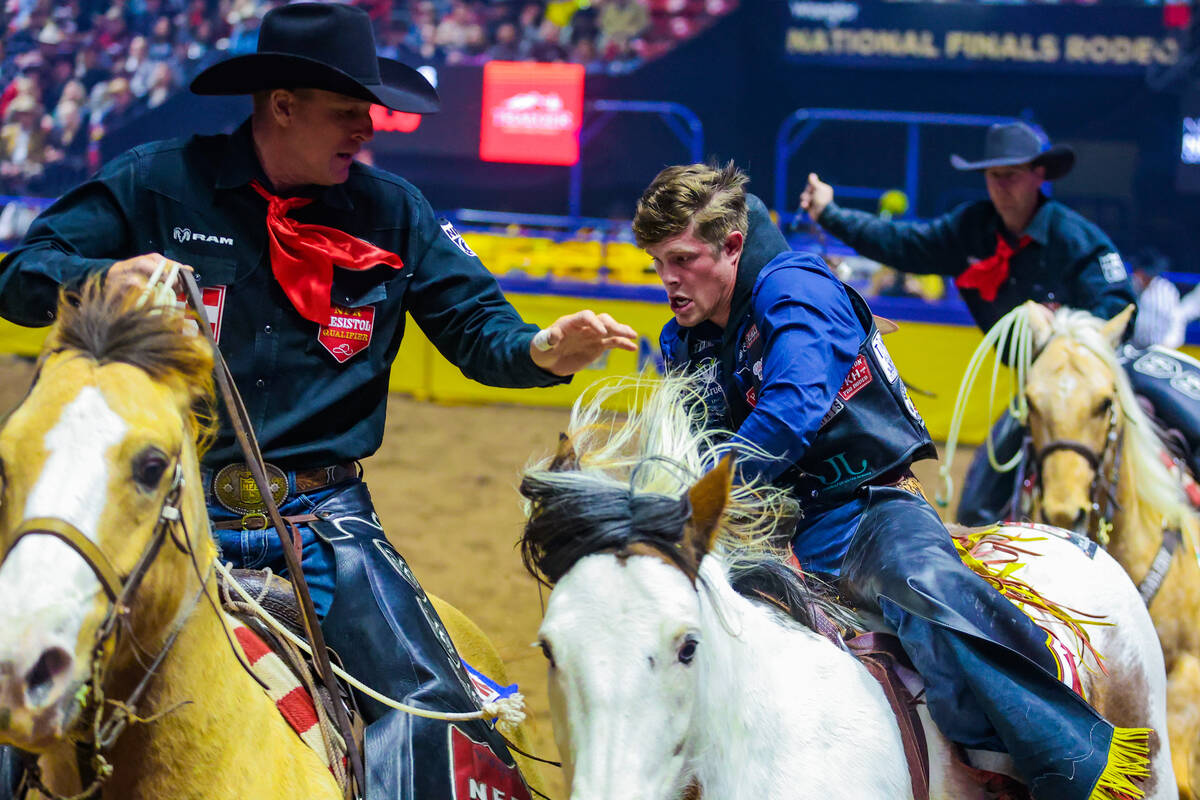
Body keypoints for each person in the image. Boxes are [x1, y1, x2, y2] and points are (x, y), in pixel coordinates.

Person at [0, 4, 637, 799]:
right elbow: (20, 274)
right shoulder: (157, 183)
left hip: (327, 526)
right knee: (14, 667)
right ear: (282, 105)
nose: (367, 128)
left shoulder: (394, 211)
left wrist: (543, 350)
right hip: (166, 512)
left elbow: (481, 334)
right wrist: (99, 279)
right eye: (347, 111)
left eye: (369, 111)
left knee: (436, 713)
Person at [634, 161, 1152, 800]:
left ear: (731, 245)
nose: (667, 279)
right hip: (761, 530)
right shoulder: (682, 340)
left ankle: (1066, 761)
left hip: (868, 509)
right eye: (657, 262)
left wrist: (696, 499)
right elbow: (681, 441)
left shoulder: (796, 292)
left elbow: (791, 409)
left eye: (681, 259)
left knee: (927, 590)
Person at [800, 121, 1137, 524]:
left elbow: (1118, 306)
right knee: (978, 503)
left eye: (1011, 175)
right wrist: (829, 213)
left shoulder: (1077, 238)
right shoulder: (971, 229)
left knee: (1178, 411)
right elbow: (901, 243)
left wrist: (1059, 327)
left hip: (1102, 381)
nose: (1001, 186)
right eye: (993, 176)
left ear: (1039, 174)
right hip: (1042, 392)